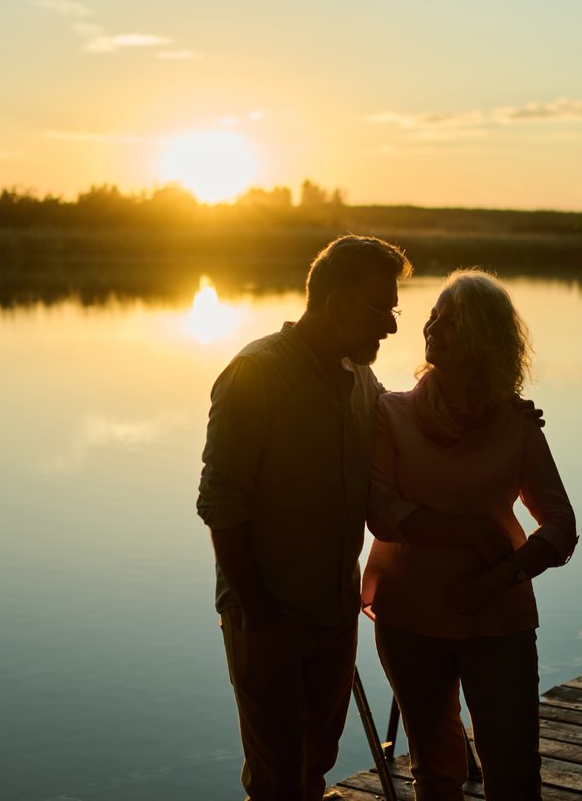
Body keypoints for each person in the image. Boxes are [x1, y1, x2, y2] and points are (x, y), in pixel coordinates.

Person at [197, 234, 413, 801]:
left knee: (317, 758)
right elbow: (221, 502)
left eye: (395, 310)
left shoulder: (360, 381)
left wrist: (500, 416)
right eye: (380, 310)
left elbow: (411, 432)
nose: (391, 326)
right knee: (276, 776)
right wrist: (259, 613)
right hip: (267, 612)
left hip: (334, 609)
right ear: (335, 305)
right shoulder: (255, 374)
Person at [362, 269, 577, 801]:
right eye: (433, 315)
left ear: (482, 337)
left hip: (497, 617)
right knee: (435, 769)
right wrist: (468, 532)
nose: (431, 325)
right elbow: (382, 514)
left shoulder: (517, 422)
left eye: (449, 320)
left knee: (514, 766)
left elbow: (561, 524)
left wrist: (501, 576)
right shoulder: (390, 412)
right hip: (409, 615)